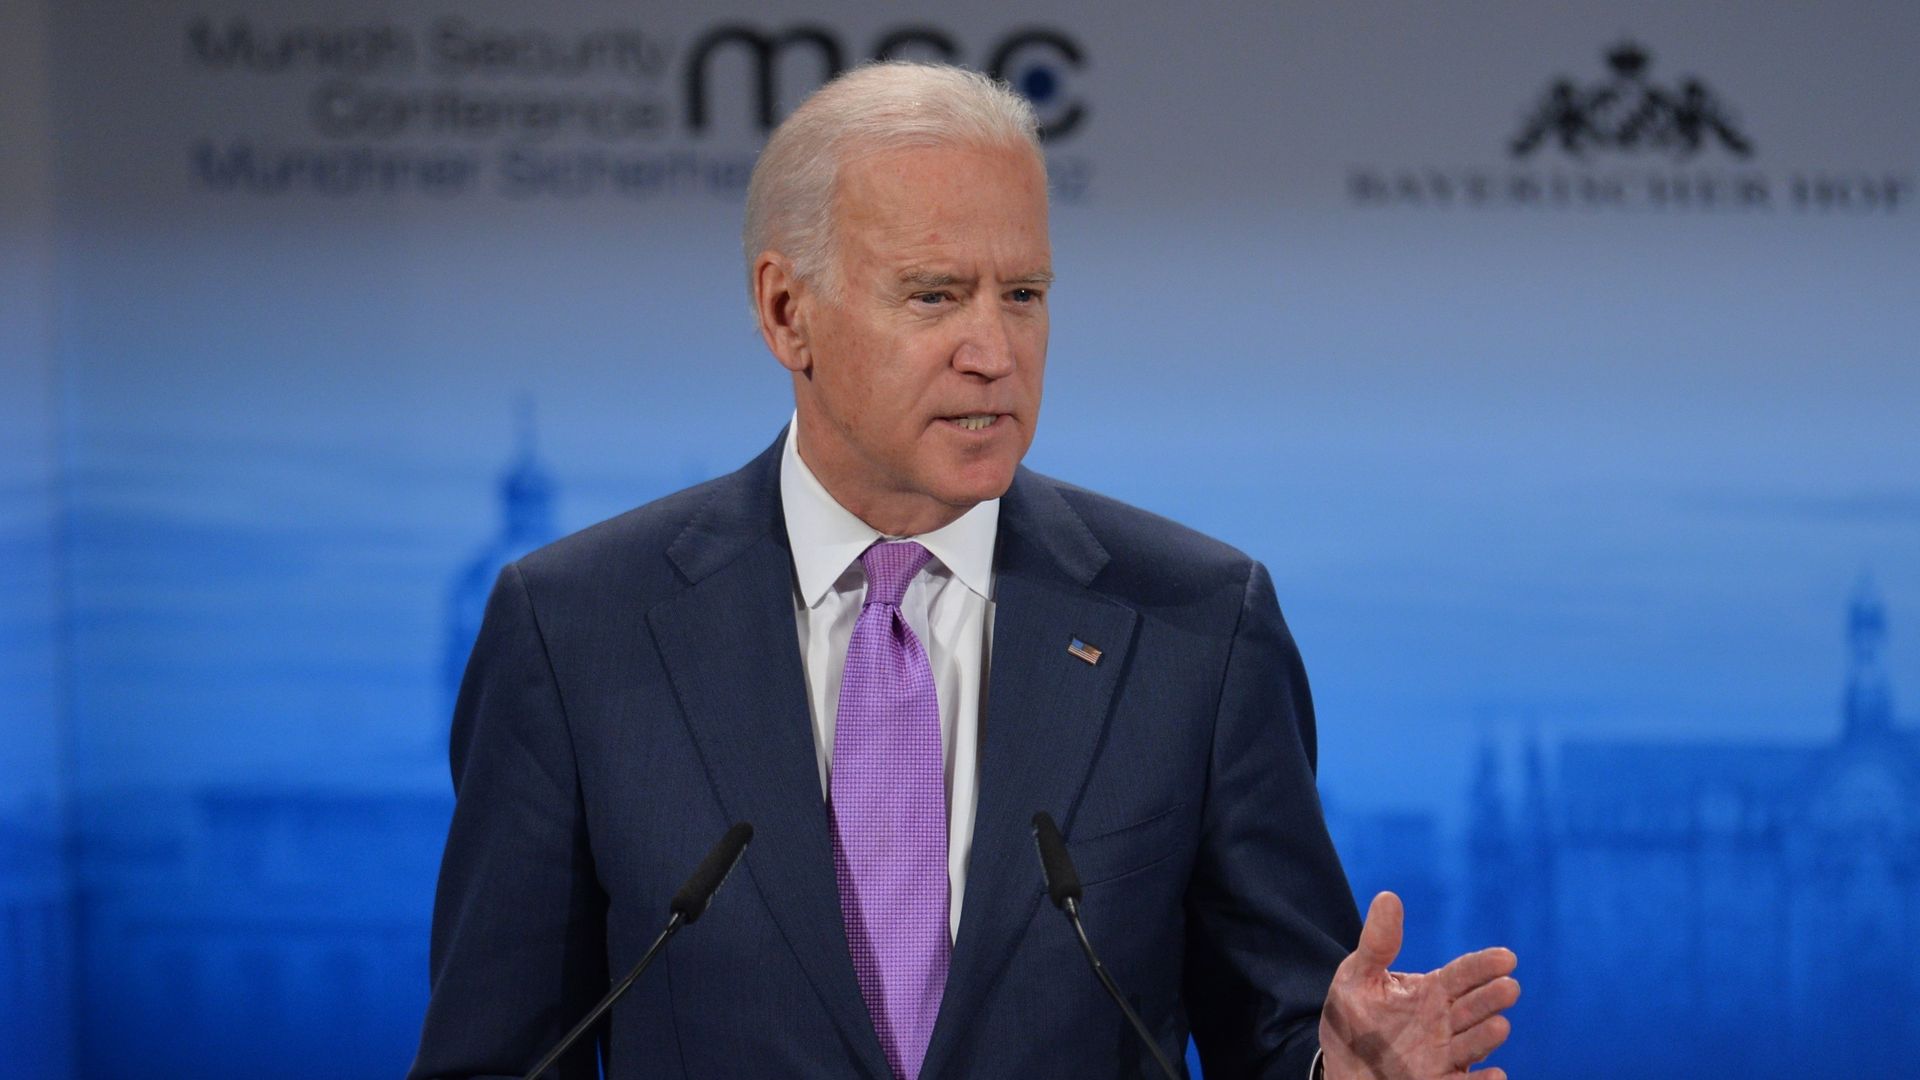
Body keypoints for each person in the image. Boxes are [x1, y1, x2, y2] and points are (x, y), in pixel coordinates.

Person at [410, 62, 1518, 1080]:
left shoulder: (1195, 626)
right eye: (935, 295)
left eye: (1023, 294)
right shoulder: (579, 633)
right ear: (787, 312)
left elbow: (1278, 1029)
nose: (994, 352)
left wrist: (1334, 1076)